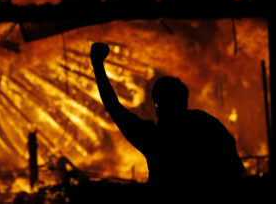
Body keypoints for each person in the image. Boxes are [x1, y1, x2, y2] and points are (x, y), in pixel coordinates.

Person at [90, 42, 245, 201]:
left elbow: (114, 107)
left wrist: (97, 65)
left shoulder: (154, 139)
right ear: (185, 102)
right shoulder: (208, 125)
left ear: (157, 106)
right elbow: (236, 172)